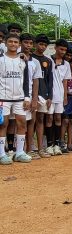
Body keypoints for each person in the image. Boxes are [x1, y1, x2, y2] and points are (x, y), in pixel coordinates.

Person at [0, 34, 31, 165]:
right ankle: (2, 154)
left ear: (19, 45)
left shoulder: (23, 60)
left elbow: (26, 80)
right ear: (6, 43)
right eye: (10, 42)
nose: (13, 44)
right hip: (3, 97)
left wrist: (27, 97)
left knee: (22, 123)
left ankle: (19, 153)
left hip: (19, 98)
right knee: (3, 124)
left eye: (15, 42)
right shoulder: (0, 59)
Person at [20, 33, 42, 159]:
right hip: (15, 95)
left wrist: (34, 99)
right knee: (15, 123)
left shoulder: (36, 62)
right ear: (20, 43)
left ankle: (29, 149)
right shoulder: (15, 58)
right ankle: (16, 149)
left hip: (29, 95)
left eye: (30, 43)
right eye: (25, 42)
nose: (28, 45)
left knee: (31, 122)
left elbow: (36, 81)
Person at [48, 39, 72, 155]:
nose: (63, 52)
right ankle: (48, 145)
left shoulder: (66, 64)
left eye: (65, 50)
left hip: (60, 95)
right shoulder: (48, 60)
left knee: (58, 118)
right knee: (49, 119)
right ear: (55, 47)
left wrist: (65, 96)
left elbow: (65, 82)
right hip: (48, 96)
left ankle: (57, 144)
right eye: (61, 49)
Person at [32, 34, 53, 157]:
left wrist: (49, 96)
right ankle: (28, 148)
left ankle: (40, 149)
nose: (42, 47)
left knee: (40, 120)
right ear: (35, 44)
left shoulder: (48, 61)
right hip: (31, 94)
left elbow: (50, 81)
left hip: (43, 94)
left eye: (45, 45)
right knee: (30, 121)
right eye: (40, 44)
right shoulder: (29, 58)